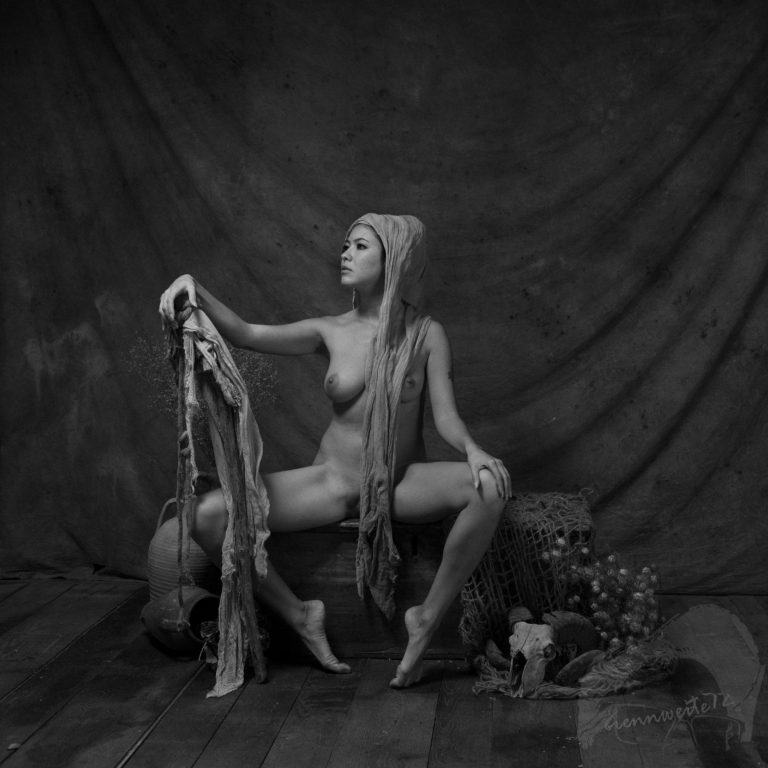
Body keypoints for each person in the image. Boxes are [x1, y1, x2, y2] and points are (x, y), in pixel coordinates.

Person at [158, 213, 510, 688]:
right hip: (332, 482)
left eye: (361, 246)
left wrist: (473, 451)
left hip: (398, 484)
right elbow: (245, 333)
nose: (345, 253)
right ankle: (300, 614)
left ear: (394, 258)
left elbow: (446, 416)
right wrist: (194, 288)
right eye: (346, 245)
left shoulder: (427, 334)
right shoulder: (329, 329)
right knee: (203, 515)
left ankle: (425, 619)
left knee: (490, 488)